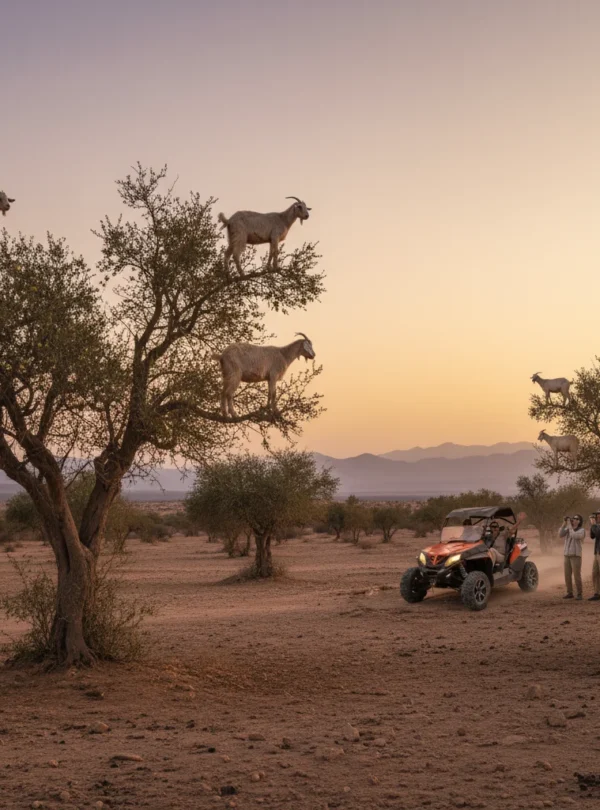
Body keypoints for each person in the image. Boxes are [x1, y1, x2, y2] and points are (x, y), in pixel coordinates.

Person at [560, 514, 585, 600]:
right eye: (573, 518)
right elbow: (560, 534)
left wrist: (569, 526)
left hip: (576, 555)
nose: (573, 519)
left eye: (576, 518)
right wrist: (564, 523)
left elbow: (574, 535)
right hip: (567, 555)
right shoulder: (568, 528)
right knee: (567, 575)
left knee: (576, 575)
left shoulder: (581, 530)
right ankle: (569, 592)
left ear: (579, 521)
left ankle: (579, 593)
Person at [588, 512, 600, 601]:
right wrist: (593, 525)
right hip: (597, 552)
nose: (597, 516)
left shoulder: (597, 526)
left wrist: (594, 525)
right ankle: (597, 593)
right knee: (595, 573)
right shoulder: (597, 525)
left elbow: (598, 534)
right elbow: (592, 536)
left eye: (598, 514)